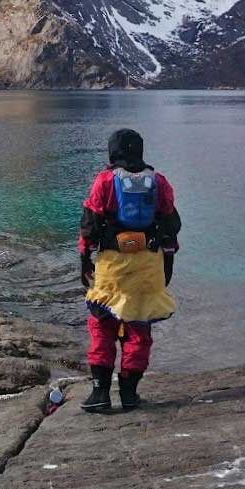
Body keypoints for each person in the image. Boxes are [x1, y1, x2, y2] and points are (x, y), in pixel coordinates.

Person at [78, 129, 181, 412]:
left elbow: (89, 225)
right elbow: (172, 226)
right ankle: (130, 393)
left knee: (102, 325)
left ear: (113, 152)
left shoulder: (104, 181)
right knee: (139, 330)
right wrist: (167, 261)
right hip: (148, 268)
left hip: (113, 268)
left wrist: (84, 259)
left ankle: (100, 392)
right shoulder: (158, 182)